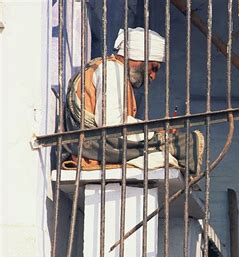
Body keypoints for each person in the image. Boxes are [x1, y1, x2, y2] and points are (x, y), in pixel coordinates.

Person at [64, 27, 203, 175]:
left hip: (96, 144)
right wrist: (153, 132)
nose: (153, 76)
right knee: (188, 142)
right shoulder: (112, 70)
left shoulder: (113, 70)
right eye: (153, 68)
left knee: (176, 144)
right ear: (141, 56)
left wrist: (154, 132)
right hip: (95, 146)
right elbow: (112, 124)